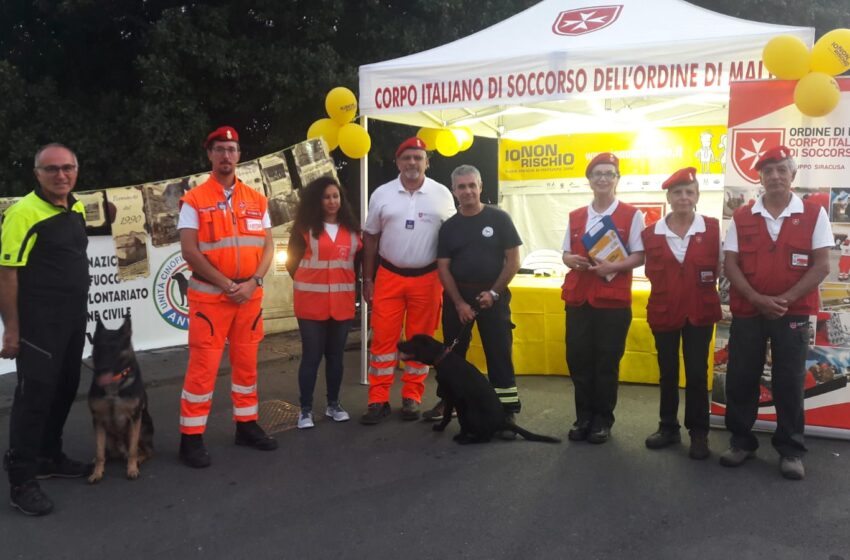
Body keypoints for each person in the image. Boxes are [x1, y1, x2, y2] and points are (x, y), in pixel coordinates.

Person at [721, 145, 831, 480]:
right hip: (749, 311)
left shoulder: (814, 214)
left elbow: (822, 265)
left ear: (792, 175)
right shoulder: (742, 216)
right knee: (741, 377)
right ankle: (742, 442)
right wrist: (756, 298)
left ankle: (791, 450)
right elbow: (730, 264)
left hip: (793, 311)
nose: (775, 176)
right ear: (760, 177)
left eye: (782, 169)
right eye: (768, 170)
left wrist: (783, 299)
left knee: (789, 381)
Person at [177, 126, 277, 468]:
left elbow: (268, 245)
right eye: (219, 149)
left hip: (249, 296)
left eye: (231, 149)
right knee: (202, 370)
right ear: (210, 155)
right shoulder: (194, 200)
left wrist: (253, 281)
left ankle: (246, 426)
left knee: (247, 365)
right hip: (210, 299)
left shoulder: (257, 198)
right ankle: (190, 438)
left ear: (239, 154)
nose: (226, 155)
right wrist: (226, 284)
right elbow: (189, 251)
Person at [1, 143, 92, 516]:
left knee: (66, 389)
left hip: (72, 320)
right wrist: (11, 330)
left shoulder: (78, 207)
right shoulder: (22, 213)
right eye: (51, 169)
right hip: (39, 325)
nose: (61, 175)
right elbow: (7, 274)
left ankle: (48, 456)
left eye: (67, 168)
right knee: (33, 398)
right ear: (37, 174)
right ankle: (21, 480)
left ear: (76, 170)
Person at [360, 137, 456, 424]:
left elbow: (453, 237)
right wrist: (367, 279)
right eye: (407, 157)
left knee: (420, 341)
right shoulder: (381, 194)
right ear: (397, 162)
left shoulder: (441, 194)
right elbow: (370, 238)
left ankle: (412, 397)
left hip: (428, 279)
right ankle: (378, 400)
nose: (412, 162)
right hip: (388, 276)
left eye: (418, 157)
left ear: (427, 161)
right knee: (382, 341)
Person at [424, 165, 522, 432]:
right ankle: (448, 402)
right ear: (454, 191)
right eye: (461, 187)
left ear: (480, 187)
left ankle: (507, 410)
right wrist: (459, 303)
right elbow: (443, 267)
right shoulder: (449, 228)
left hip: (495, 296)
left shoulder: (500, 219)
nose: (467, 191)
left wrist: (493, 293)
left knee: (499, 354)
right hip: (459, 297)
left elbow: (513, 261)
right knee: (451, 356)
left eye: (472, 185)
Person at [560, 153, 645, 444]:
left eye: (609, 173)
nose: (603, 179)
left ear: (617, 179)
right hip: (579, 299)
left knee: (606, 362)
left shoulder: (631, 215)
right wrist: (571, 259)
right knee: (578, 360)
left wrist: (614, 267)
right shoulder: (576, 216)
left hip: (612, 301)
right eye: (597, 173)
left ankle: (602, 420)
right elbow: (565, 253)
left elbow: (639, 255)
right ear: (589, 180)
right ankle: (583, 416)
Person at [641, 167, 721, 460]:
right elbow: (633, 260)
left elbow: (724, 268)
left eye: (689, 192)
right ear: (669, 197)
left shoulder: (712, 229)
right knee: (667, 373)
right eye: (677, 192)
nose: (683, 197)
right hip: (664, 311)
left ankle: (699, 433)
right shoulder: (649, 234)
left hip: (700, 312)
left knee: (698, 374)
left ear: (697, 196)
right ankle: (668, 427)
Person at [286, 176, 362, 429]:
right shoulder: (303, 229)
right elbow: (291, 263)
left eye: (335, 196)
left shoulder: (353, 231)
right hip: (310, 304)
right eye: (326, 197)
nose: (332, 201)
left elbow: (357, 264)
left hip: (341, 303)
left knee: (336, 357)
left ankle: (334, 404)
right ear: (317, 201)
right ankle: (305, 409)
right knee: (311, 356)